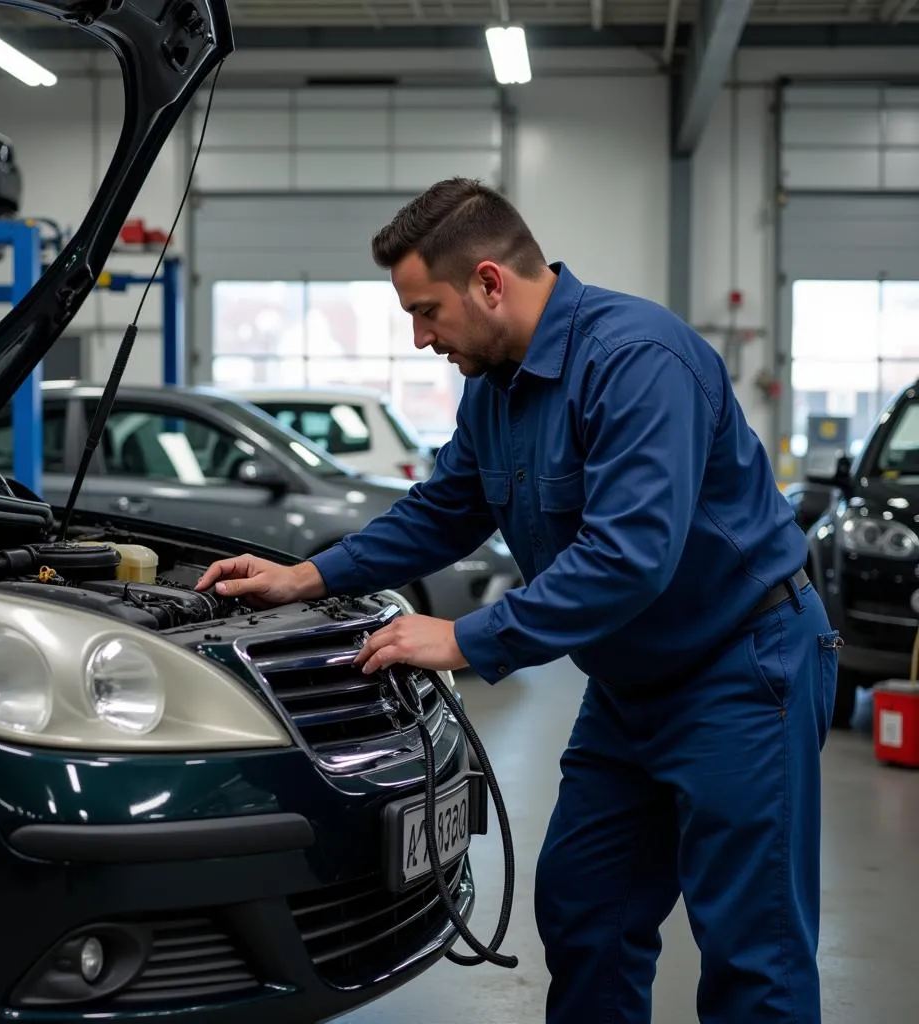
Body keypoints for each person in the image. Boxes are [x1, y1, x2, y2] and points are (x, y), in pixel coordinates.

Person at [195, 177, 841, 1024]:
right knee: (586, 910)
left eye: (426, 311)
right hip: (629, 688)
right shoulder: (494, 387)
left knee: (752, 951)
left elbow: (628, 557)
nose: (422, 338)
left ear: (490, 282)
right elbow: (444, 509)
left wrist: (462, 638)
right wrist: (307, 577)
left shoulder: (638, 361)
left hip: (742, 669)